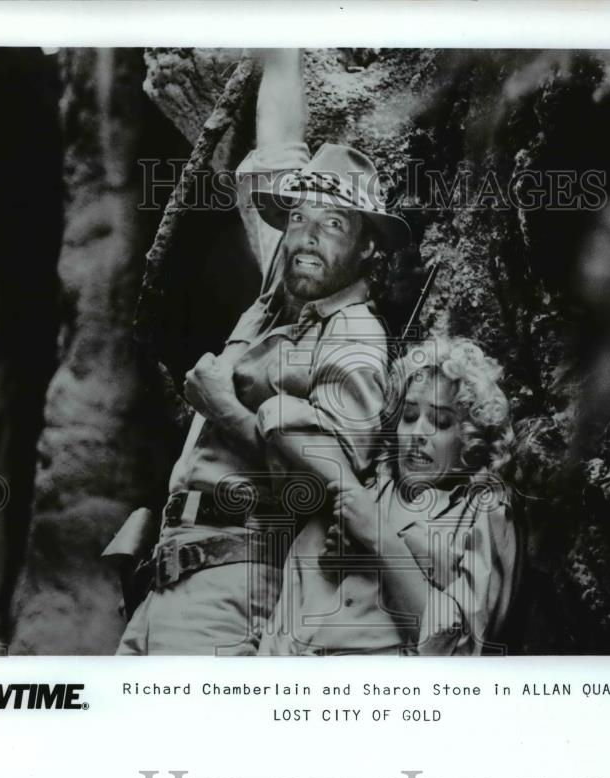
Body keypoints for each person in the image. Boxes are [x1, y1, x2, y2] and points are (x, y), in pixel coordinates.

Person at [115, 49, 410, 655]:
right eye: (299, 218)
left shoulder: (354, 336)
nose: (305, 235)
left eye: (333, 224)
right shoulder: (285, 291)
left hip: (237, 585)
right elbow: (278, 146)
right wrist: (282, 40)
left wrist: (225, 408)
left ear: (367, 250)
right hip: (164, 582)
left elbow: (329, 491)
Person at [259, 336, 519, 656]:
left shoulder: (482, 513)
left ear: (472, 440)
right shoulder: (369, 486)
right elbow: (276, 413)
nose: (417, 432)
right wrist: (352, 494)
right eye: (408, 416)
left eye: (440, 421)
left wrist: (380, 539)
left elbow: (453, 651)